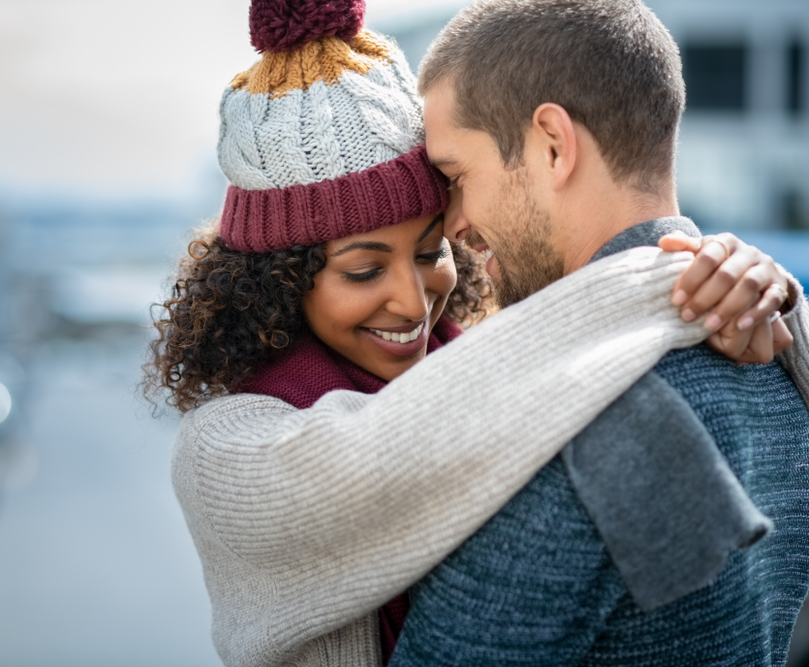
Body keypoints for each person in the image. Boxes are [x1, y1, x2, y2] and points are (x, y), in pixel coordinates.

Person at [146, 1, 809, 666]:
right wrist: (671, 279)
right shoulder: (225, 450)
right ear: (280, 284)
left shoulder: (543, 404)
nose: (414, 296)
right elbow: (378, 447)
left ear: (554, 143)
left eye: (433, 245)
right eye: (366, 267)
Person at [388, 1, 809, 665]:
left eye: (456, 177)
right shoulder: (779, 361)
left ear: (553, 144)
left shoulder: (559, 421)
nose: (453, 225)